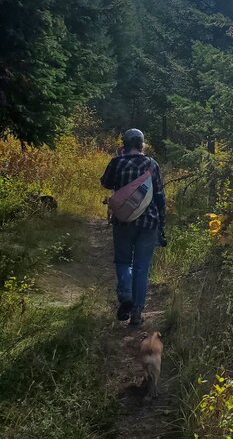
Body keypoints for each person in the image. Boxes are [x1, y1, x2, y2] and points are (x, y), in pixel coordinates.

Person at [101, 129, 166, 326]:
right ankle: (137, 312)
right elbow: (160, 197)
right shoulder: (152, 164)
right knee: (141, 267)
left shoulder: (117, 162)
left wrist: (119, 158)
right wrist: (161, 223)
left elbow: (106, 183)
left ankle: (126, 296)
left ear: (125, 144)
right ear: (141, 144)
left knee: (123, 261)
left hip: (123, 221)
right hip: (149, 223)